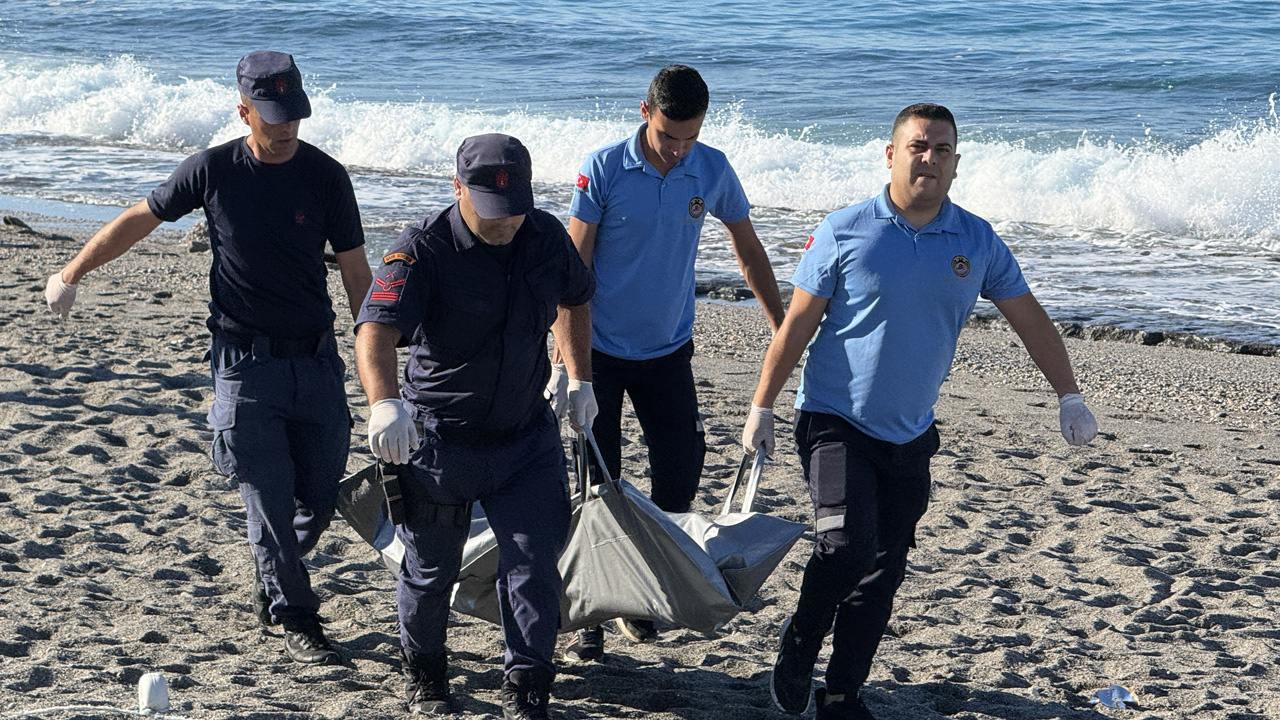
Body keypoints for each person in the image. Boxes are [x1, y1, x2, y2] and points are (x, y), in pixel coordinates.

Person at [741, 104, 1099, 720]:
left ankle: (842, 694)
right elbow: (797, 324)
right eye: (916, 146)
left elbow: (1029, 318)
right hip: (834, 417)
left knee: (883, 570)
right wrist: (761, 405)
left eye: (941, 149)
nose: (927, 158)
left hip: (910, 433)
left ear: (956, 163)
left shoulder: (976, 240)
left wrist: (1068, 392)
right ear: (891, 154)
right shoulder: (846, 229)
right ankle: (800, 641)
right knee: (848, 547)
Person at [44, 51, 372, 666]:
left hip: (316, 361)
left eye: (294, 117)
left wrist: (376, 351)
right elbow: (140, 219)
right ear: (243, 110)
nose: (284, 129)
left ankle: (273, 573)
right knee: (267, 497)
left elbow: (357, 272)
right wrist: (73, 272)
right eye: (271, 118)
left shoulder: (327, 176)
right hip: (243, 365)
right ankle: (297, 616)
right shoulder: (213, 169)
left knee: (321, 498)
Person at [355, 133, 595, 719]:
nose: (504, 223)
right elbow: (375, 331)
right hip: (440, 441)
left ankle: (528, 686)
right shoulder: (421, 249)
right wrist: (384, 403)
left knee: (534, 564)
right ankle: (427, 675)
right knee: (431, 569)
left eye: (514, 211)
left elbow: (575, 299)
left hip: (526, 439)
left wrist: (578, 375)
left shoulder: (545, 237)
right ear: (457, 188)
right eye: (490, 211)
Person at [553, 63, 787, 661]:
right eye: (668, 137)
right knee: (594, 488)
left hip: (667, 352)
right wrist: (563, 360)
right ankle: (591, 616)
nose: (679, 150)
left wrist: (780, 324)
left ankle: (640, 599)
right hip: (598, 352)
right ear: (644, 113)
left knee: (679, 480)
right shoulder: (604, 167)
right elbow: (572, 265)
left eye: (690, 137)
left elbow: (747, 246)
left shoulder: (710, 167)